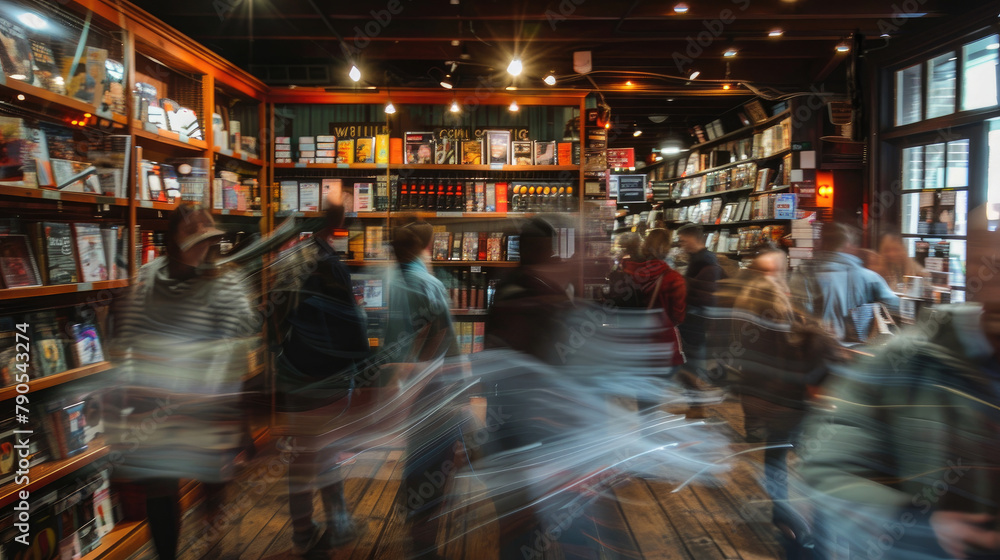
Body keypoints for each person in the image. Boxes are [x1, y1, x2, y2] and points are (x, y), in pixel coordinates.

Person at [797, 208, 1000, 559]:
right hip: (853, 354)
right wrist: (923, 528)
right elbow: (897, 307)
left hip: (823, 361)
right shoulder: (872, 285)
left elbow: (794, 315)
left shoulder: (804, 273)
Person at [110, 203, 256, 560]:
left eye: (206, 227)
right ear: (173, 237)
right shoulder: (148, 275)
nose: (201, 233)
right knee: (160, 486)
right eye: (192, 227)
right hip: (158, 397)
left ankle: (213, 544)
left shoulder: (226, 278)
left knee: (212, 481)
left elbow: (245, 331)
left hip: (210, 398)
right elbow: (129, 334)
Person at [709, 247, 834, 556]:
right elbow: (789, 341)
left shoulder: (740, 295)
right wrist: (815, 330)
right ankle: (814, 529)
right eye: (780, 269)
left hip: (758, 393)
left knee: (777, 457)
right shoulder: (770, 296)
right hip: (785, 396)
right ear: (772, 271)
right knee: (816, 459)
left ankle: (784, 516)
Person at [269, 204, 370, 557]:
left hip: (295, 370)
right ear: (337, 223)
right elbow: (350, 323)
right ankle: (333, 526)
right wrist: (362, 367)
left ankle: (306, 530)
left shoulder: (291, 259)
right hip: (327, 375)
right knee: (324, 453)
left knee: (304, 455)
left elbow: (276, 314)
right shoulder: (330, 265)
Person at [789, 222, 899, 342]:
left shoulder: (802, 273)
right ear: (848, 245)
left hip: (815, 349)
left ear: (822, 244)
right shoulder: (869, 278)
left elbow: (797, 314)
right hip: (856, 352)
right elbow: (896, 307)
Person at [675, 223, 727, 400]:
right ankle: (694, 397)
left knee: (693, 358)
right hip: (696, 315)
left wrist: (683, 287)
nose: (681, 244)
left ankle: (696, 400)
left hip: (697, 316)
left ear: (693, 239)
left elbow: (704, 293)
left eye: (683, 240)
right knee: (691, 357)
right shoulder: (700, 258)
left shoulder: (704, 260)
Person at [620, 228, 686, 368]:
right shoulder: (673, 278)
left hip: (630, 339)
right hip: (661, 342)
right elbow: (678, 316)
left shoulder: (626, 269)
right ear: (666, 249)